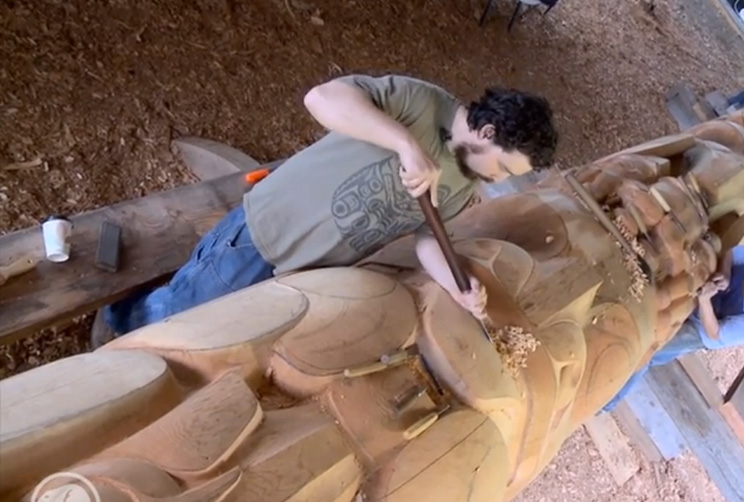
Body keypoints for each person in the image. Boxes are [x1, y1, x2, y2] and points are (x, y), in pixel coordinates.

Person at [93, 74, 558, 347]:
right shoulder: (420, 102)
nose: (497, 179)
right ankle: (116, 322)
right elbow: (321, 98)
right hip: (264, 236)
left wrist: (457, 287)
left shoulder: (464, 185)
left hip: (302, 273)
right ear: (487, 132)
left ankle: (140, 328)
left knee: (211, 326)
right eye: (503, 167)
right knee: (179, 309)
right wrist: (405, 144)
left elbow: (426, 239)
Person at [602, 244, 744, 411]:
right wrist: (725, 273)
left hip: (704, 329)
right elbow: (732, 254)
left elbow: (715, 333)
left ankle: (607, 402)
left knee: (650, 349)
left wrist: (705, 300)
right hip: (710, 293)